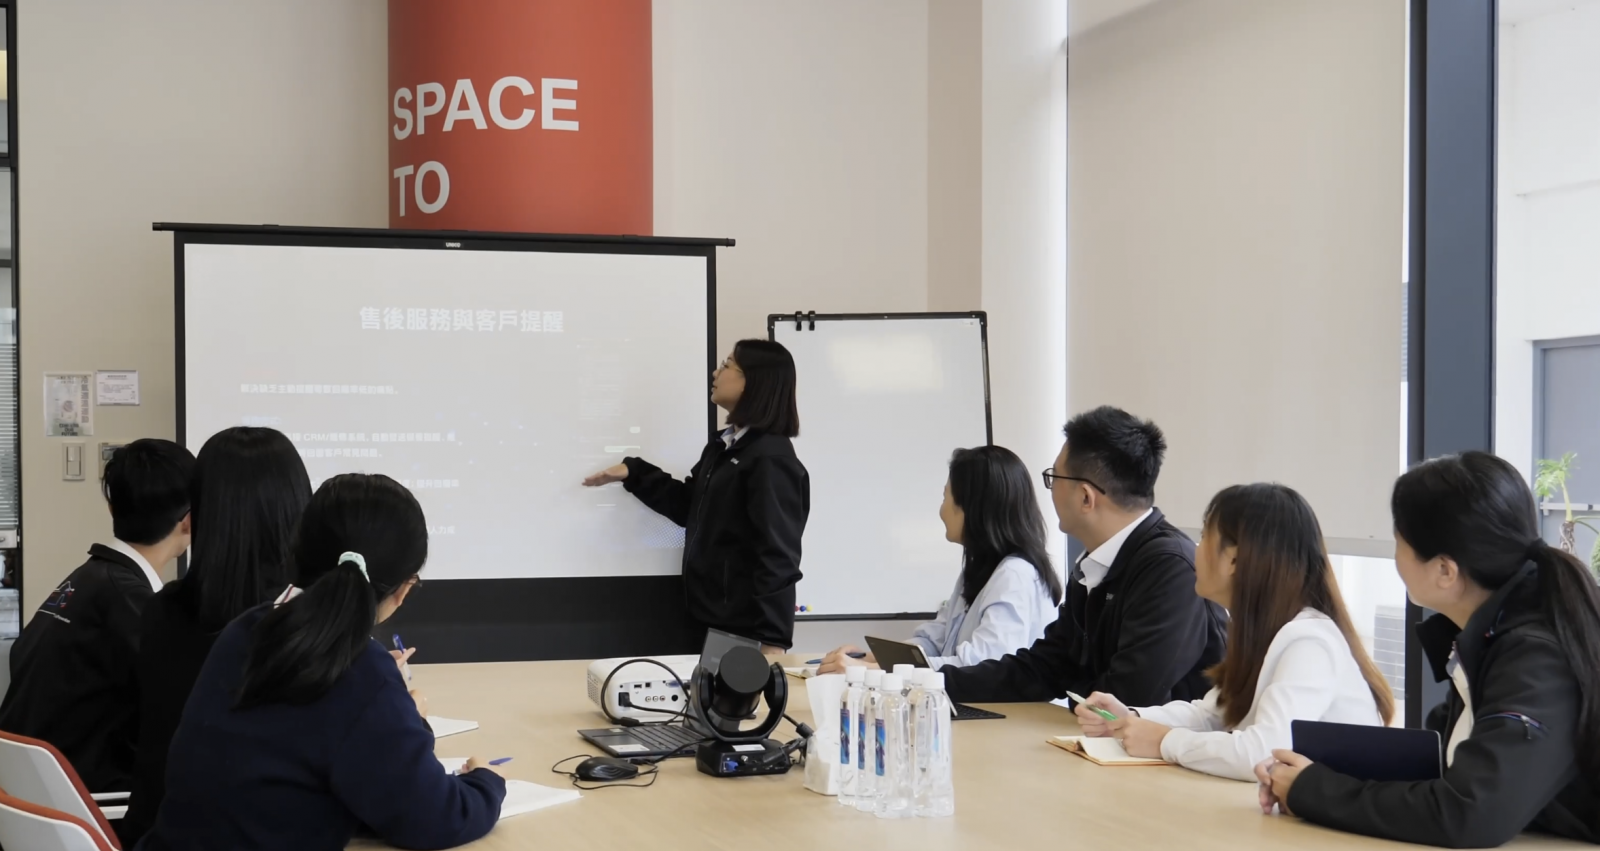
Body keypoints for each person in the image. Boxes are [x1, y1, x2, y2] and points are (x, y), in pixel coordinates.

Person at [137, 473, 504, 850]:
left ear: (297, 553)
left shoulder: (245, 629)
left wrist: (400, 716)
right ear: (404, 589)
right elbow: (435, 817)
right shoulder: (361, 672)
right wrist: (486, 782)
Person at [1257, 452, 1600, 847]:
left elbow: (1469, 813)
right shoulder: (1492, 633)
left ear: (1444, 570)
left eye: (1399, 542)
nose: (1395, 557)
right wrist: (1315, 774)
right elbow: (1443, 768)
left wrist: (1315, 790)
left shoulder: (1536, 656)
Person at [1075, 483, 1393, 781]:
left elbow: (1263, 752)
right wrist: (1130, 717)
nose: (1196, 549)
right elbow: (1210, 716)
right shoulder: (1263, 630)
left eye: (1205, 536)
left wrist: (1165, 741)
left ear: (1235, 560)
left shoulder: (1309, 642)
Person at [939, 406, 1228, 706]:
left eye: (1054, 478)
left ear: (1086, 497)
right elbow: (1045, 667)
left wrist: (1072, 687)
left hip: (1162, 738)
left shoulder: (1170, 568)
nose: (1050, 490)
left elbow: (1128, 697)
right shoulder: (1094, 566)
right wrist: (937, 682)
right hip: (1100, 734)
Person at [122, 427, 313, 844]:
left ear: (200, 511)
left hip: (156, 836)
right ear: (297, 509)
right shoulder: (296, 626)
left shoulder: (161, 611)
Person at [583, 339, 809, 652]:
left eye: (727, 365)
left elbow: (778, 554)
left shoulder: (770, 458)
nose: (716, 373)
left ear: (753, 381)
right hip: (707, 619)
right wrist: (634, 473)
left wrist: (773, 641)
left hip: (743, 630)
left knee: (729, 687)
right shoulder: (723, 447)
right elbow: (689, 507)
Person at [0, 440, 194, 793]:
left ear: (111, 507)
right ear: (190, 521)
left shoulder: (90, 579)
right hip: (83, 800)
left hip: (25, 790)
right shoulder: (131, 600)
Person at [817, 445, 1061, 673]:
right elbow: (934, 641)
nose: (941, 511)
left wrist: (868, 671)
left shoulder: (1014, 575)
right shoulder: (978, 571)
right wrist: (869, 658)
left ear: (971, 507)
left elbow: (981, 666)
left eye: (946, 497)